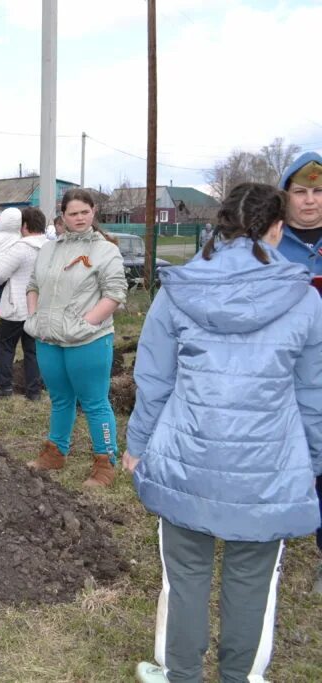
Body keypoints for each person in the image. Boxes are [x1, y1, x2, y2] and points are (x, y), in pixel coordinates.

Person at [124, 182, 322, 683]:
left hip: (185, 460)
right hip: (267, 471)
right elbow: (313, 395)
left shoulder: (178, 291)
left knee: (185, 578)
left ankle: (180, 675)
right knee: (254, 582)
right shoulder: (305, 300)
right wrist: (314, 463)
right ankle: (242, 677)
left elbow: (153, 381)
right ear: (277, 228)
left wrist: (137, 446)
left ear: (220, 224)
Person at [23, 189, 127, 487]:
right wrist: (34, 318)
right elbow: (33, 285)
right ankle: (55, 453)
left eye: (85, 212)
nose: (79, 218)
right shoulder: (48, 250)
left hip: (88, 341)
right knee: (60, 399)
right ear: (63, 216)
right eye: (73, 213)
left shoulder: (105, 250)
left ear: (93, 212)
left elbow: (115, 294)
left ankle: (105, 462)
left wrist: (86, 323)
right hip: (49, 340)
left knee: (94, 402)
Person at [276, 152, 322, 594]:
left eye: (319, 191)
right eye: (301, 191)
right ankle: (272, 543)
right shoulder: (269, 245)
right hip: (283, 375)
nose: (310, 201)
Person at [0, 207, 46, 400]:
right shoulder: (50, 247)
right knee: (33, 351)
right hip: (38, 308)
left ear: (25, 226)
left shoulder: (21, 248)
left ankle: (5, 387)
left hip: (16, 307)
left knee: (4, 346)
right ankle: (34, 392)